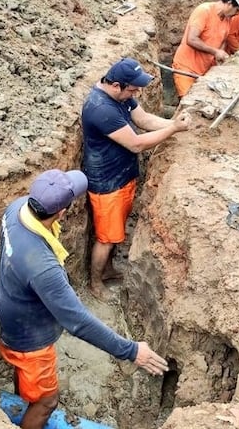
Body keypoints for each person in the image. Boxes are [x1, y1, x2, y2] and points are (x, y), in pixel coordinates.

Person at [0, 169, 169, 429]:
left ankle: (24, 394)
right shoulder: (42, 267)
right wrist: (131, 351)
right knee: (46, 403)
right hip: (28, 339)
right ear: (61, 212)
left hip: (7, 313)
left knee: (26, 377)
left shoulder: (16, 208)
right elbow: (77, 321)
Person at [81, 58, 192, 301]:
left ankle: (108, 269)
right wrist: (173, 130)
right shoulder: (101, 109)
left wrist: (173, 124)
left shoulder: (121, 95)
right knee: (106, 237)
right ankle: (96, 283)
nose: (137, 93)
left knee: (115, 232)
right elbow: (136, 143)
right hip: (107, 183)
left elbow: (144, 120)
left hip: (123, 176)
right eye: (133, 89)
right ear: (116, 85)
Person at [171, 0, 239, 98]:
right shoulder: (204, 11)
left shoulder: (227, 18)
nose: (237, 14)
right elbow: (191, 39)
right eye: (238, 9)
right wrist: (215, 52)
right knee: (187, 103)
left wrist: (219, 56)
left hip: (205, 69)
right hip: (186, 68)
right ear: (229, 2)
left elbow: (223, 40)